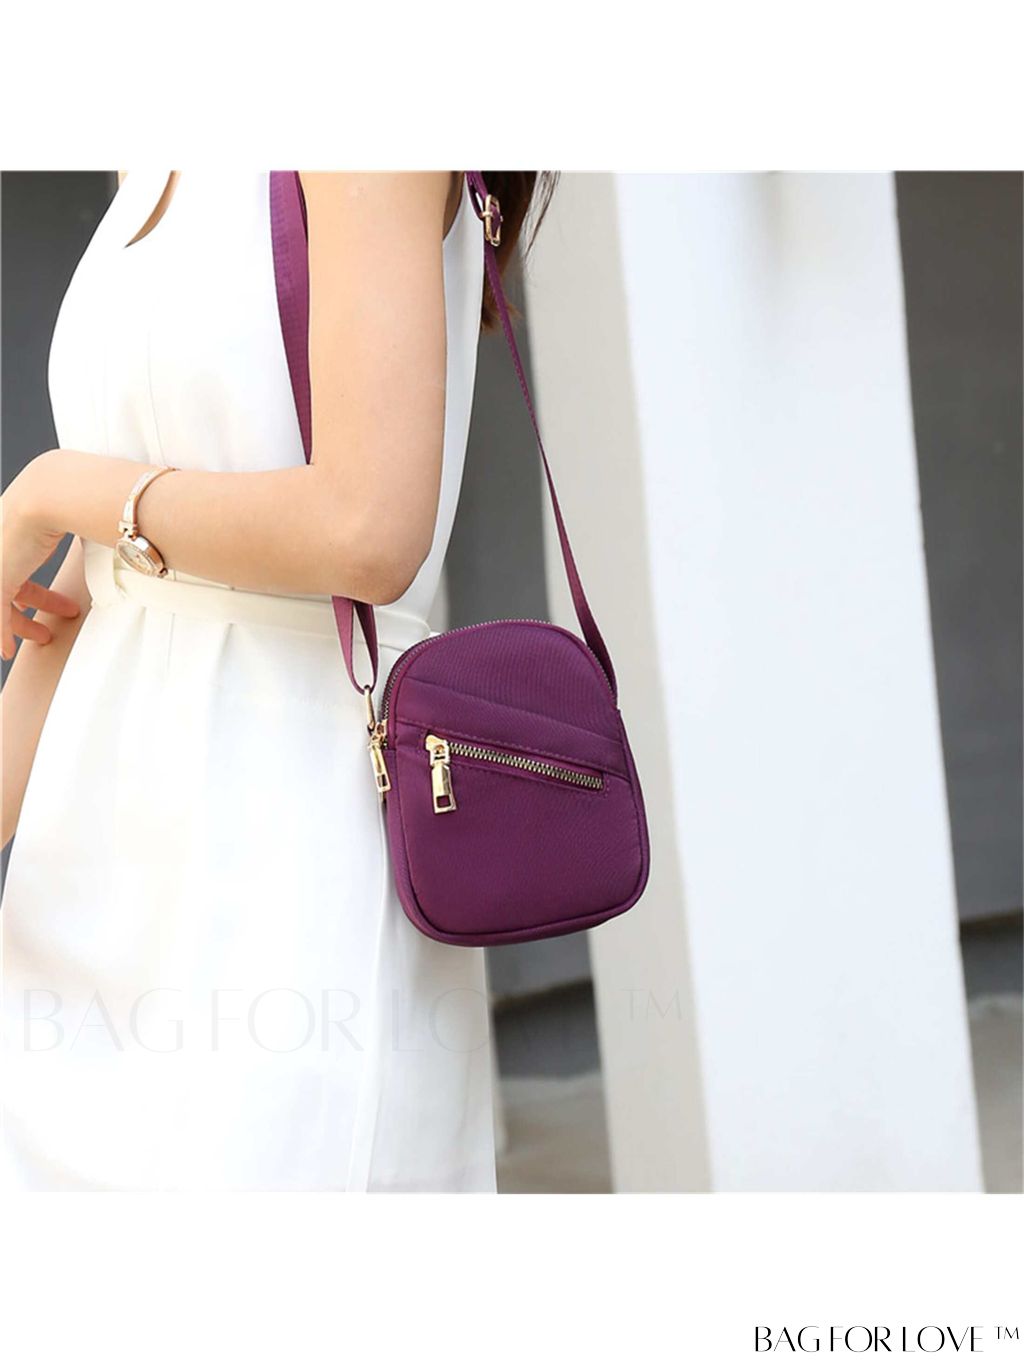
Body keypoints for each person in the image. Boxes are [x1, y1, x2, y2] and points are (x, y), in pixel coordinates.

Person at [0, 170, 549, 1191]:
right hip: (84, 886)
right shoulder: (149, 155)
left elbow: (368, 529)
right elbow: (91, 589)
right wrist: (72, 505)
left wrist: (51, 490)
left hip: (284, 852)